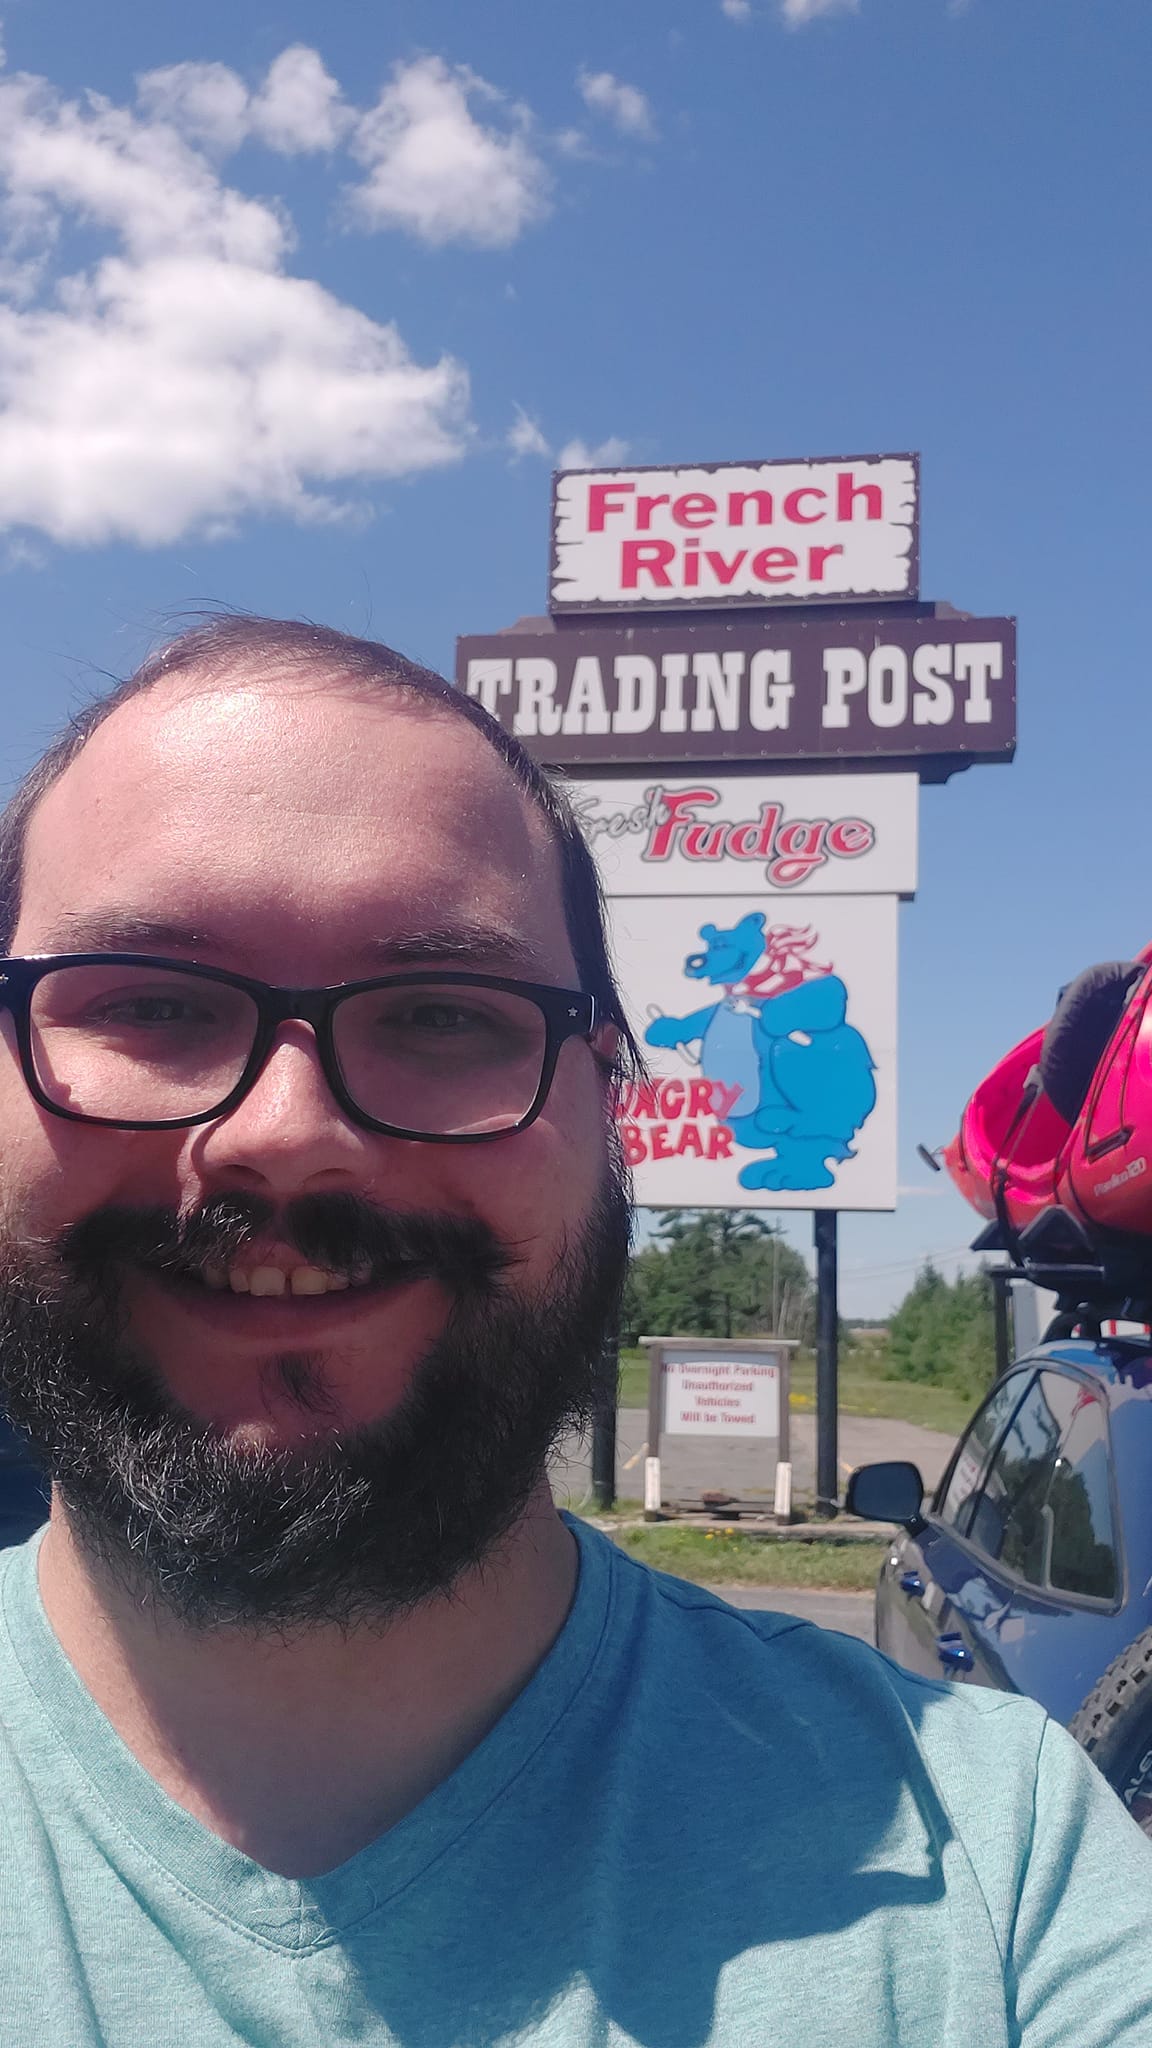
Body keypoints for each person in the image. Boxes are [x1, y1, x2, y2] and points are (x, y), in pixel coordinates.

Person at [0, 614, 1149, 2048]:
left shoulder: (1003, 1868)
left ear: (614, 1108)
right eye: (152, 1002)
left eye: (441, 1013)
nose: (286, 1136)